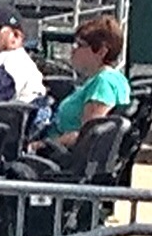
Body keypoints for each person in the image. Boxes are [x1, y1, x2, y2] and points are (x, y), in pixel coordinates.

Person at [35, 13, 130, 158]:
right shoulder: (115, 79)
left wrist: (39, 145)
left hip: (56, 158)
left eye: (80, 45)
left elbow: (87, 137)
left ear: (101, 51)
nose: (73, 49)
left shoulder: (103, 83)